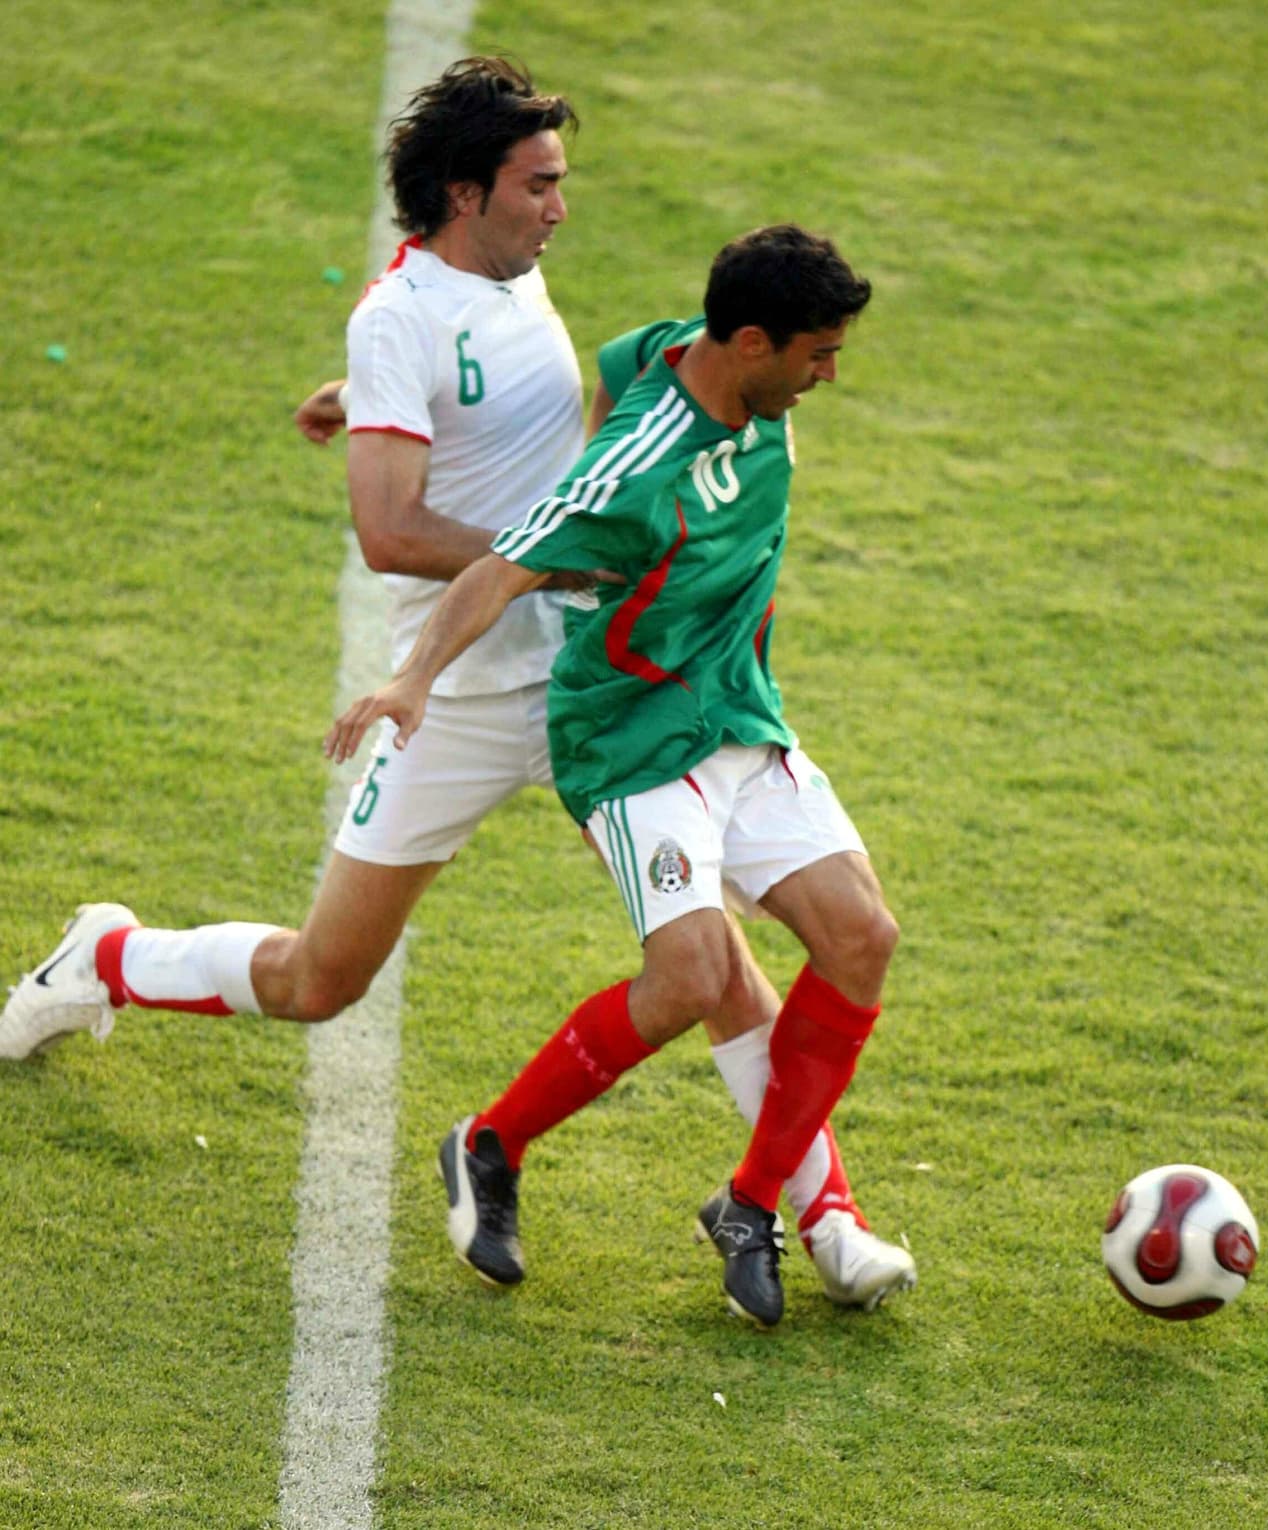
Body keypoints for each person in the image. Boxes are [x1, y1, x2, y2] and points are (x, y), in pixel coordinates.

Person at [0, 61, 907, 1312]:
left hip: (600, 690)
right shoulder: (398, 319)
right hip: (469, 685)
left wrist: (411, 435)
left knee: (712, 965)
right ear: (465, 191)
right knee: (322, 980)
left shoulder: (512, 275)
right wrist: (549, 559)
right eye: (540, 185)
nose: (560, 208)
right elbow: (387, 530)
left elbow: (579, 408)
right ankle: (108, 956)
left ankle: (821, 1217)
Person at [325, 224, 918, 1328]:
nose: (831, 373)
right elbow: (504, 568)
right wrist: (410, 681)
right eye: (818, 353)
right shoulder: (635, 473)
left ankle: (750, 1205)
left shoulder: (669, 353)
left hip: (736, 715)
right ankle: (490, 1143)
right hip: (631, 742)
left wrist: (349, 395)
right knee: (691, 973)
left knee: (861, 937)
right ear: (749, 342)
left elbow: (609, 364)